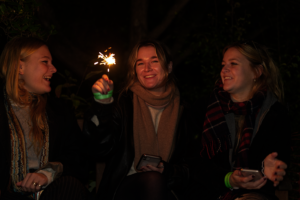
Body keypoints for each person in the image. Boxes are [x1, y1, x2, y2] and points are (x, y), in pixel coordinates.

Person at [84, 40, 194, 200]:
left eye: (154, 61)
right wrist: (102, 105)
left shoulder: (183, 110)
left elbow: (190, 168)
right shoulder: (123, 104)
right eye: (140, 63)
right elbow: (99, 149)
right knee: (153, 180)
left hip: (168, 187)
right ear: (134, 70)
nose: (147, 68)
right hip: (123, 189)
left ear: (169, 67)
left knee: (157, 181)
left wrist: (166, 170)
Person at [190, 41, 291, 200]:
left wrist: (268, 168)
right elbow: (192, 161)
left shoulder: (275, 113)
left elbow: (277, 161)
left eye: (233, 64)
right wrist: (228, 179)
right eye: (223, 64)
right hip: (209, 192)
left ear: (256, 72)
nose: (224, 69)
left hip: (255, 194)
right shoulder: (204, 108)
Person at [0, 37, 89, 200]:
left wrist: (48, 173)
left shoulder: (59, 111)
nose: (54, 69)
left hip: (51, 195)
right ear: (20, 67)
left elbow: (79, 160)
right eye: (45, 62)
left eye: (51, 62)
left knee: (70, 186)